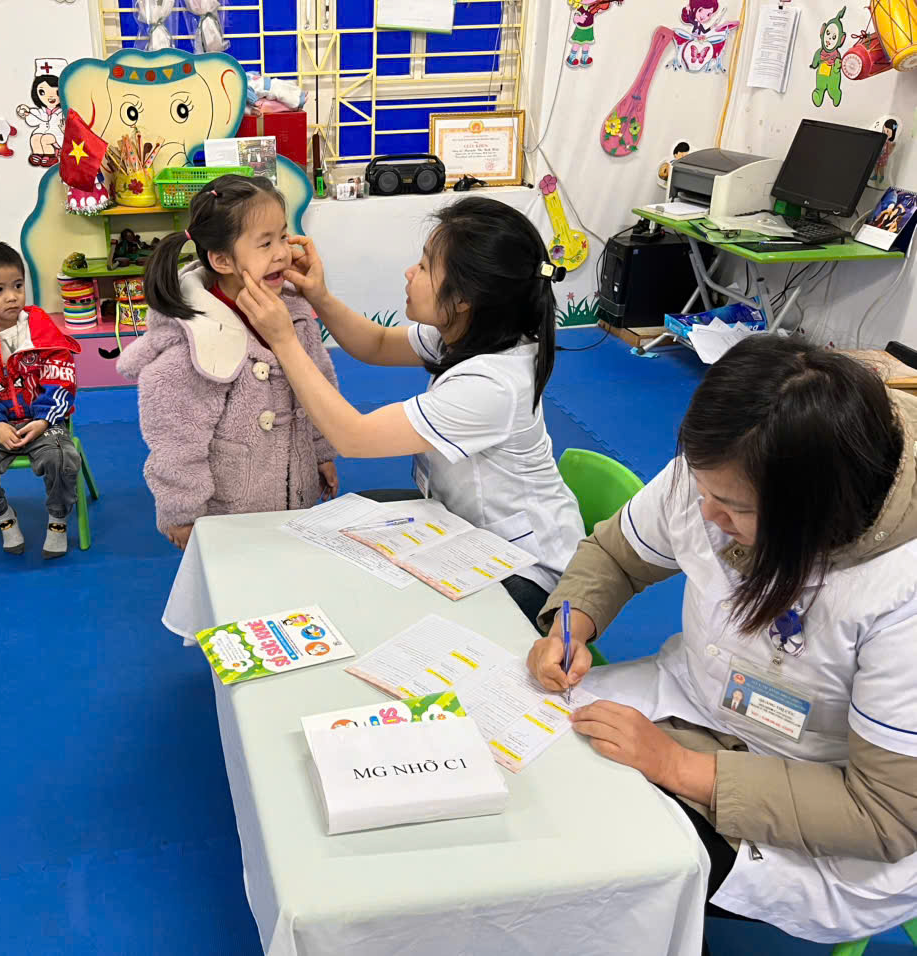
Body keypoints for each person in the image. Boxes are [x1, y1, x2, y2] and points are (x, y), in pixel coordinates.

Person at [527, 337, 917, 945]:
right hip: (694, 703)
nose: (706, 513)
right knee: (533, 767)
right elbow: (616, 556)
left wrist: (676, 766)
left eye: (733, 508)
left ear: (816, 510)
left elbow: (882, 811)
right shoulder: (727, 468)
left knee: (602, 854)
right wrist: (570, 625)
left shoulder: (900, 593)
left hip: (818, 798)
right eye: (701, 489)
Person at [238, 196, 583, 623]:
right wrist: (319, 297)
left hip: (528, 572)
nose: (409, 272)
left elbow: (354, 438)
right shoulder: (475, 331)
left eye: (423, 266)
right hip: (470, 531)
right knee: (347, 530)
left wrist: (284, 340)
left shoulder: (493, 385)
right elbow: (377, 343)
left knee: (384, 612)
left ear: (464, 298)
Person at [116, 174, 340, 550]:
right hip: (233, 510)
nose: (283, 253)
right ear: (221, 260)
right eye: (265, 243)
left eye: (283, 236)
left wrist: (322, 452)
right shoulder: (197, 339)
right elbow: (176, 439)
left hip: (295, 491)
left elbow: (319, 383)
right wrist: (182, 512)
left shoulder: (294, 309)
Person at [0, 240, 82, 559]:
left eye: (18, 286)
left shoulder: (40, 326)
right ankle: (4, 518)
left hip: (42, 422)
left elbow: (61, 375)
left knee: (61, 458)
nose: (12, 296)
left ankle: (58, 519)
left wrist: (44, 419)